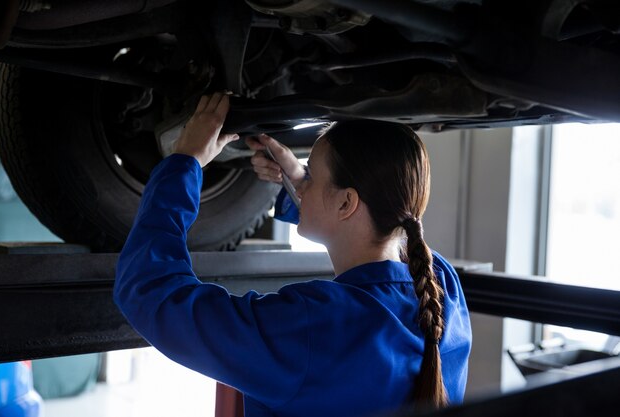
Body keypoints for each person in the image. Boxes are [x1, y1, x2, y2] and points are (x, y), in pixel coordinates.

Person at [113, 92, 472, 417]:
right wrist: (301, 182)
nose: (305, 181)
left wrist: (184, 162)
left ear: (347, 202)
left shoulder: (311, 326)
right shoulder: (443, 291)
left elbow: (151, 293)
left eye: (312, 175)